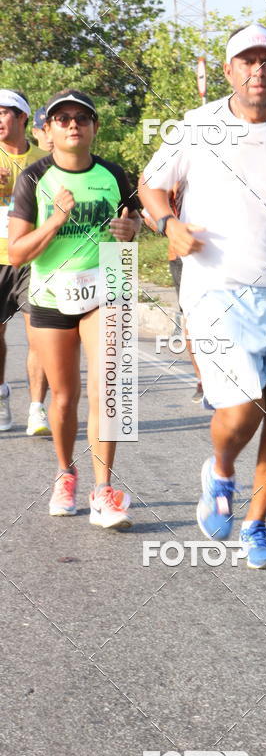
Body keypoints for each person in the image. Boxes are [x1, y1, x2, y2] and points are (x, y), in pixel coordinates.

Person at [139, 23, 266, 569]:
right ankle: (221, 470)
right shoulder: (197, 127)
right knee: (242, 406)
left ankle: (256, 524)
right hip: (218, 289)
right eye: (247, 61)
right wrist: (167, 225)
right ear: (230, 70)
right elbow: (150, 184)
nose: (258, 70)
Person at [8, 89, 142, 526]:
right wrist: (55, 220)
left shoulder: (113, 174)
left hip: (107, 287)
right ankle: (65, 474)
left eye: (82, 118)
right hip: (52, 295)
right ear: (48, 129)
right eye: (62, 119)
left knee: (109, 388)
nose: (72, 125)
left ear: (94, 127)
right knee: (65, 396)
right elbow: (17, 252)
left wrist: (131, 230)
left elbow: (135, 222)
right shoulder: (34, 178)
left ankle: (104, 491)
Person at [0, 89, 50, 435]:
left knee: (40, 335)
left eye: (4, 112)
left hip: (35, 258)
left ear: (22, 117)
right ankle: (2, 394)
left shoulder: (45, 160)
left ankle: (37, 408)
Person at [142, 183, 203, 401]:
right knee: (193, 318)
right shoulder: (177, 171)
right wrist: (171, 227)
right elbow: (149, 215)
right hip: (184, 255)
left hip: (229, 256)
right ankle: (202, 380)